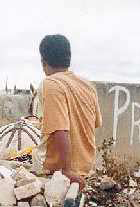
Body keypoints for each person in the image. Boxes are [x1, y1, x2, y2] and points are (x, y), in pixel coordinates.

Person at [33, 34, 102, 189]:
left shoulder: (50, 84)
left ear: (43, 62)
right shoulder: (87, 85)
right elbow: (95, 123)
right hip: (85, 166)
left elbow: (60, 131)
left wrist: (67, 170)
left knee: (22, 158)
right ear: (68, 58)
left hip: (56, 167)